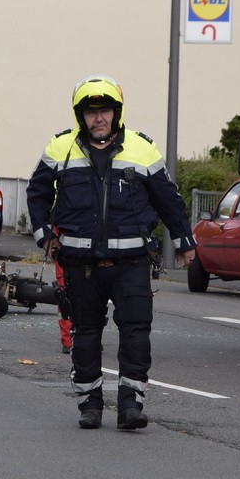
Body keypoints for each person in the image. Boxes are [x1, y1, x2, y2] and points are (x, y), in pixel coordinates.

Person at [26, 75, 197, 431]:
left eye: (104, 110)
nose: (98, 118)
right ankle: (90, 405)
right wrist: (44, 235)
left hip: (132, 262)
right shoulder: (61, 148)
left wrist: (184, 240)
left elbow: (169, 200)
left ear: (117, 112)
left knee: (136, 333)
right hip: (79, 263)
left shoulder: (142, 149)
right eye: (90, 112)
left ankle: (131, 405)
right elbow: (37, 192)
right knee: (86, 333)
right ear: (80, 116)